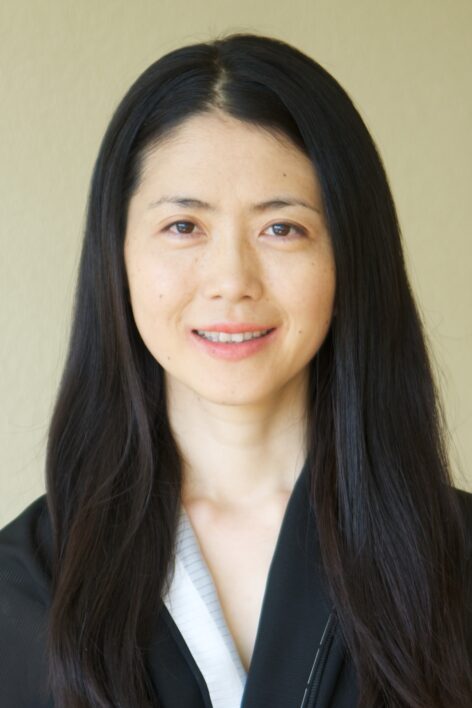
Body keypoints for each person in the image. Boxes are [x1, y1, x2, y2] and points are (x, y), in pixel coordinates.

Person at [0, 31, 470, 708]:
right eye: (184, 226)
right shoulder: (25, 585)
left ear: (349, 257)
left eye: (282, 228)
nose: (231, 280)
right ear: (118, 255)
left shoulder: (455, 564)